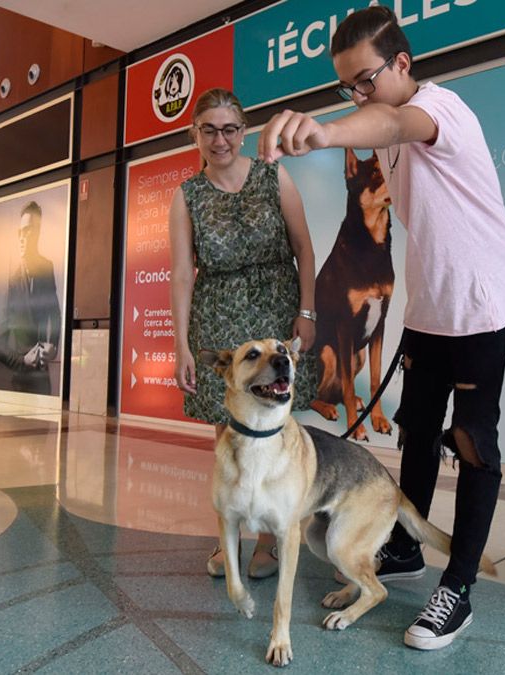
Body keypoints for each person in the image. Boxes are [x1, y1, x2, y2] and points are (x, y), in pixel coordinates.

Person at [256, 5, 505, 651]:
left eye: (366, 79)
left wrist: (322, 131)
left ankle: (457, 586)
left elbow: (394, 117)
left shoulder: (441, 108)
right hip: (430, 310)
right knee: (417, 435)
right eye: (346, 86)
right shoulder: (385, 134)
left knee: (472, 440)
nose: (358, 95)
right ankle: (403, 547)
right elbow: (382, 124)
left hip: (483, 306)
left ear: (403, 64)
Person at [168, 88, 319, 581]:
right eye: (208, 129)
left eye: (229, 129)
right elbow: (181, 273)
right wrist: (182, 345)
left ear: (244, 132)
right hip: (219, 319)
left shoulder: (273, 176)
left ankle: (269, 542)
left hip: (276, 315)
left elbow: (304, 249)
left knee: (277, 433)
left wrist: (307, 310)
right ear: (195, 133)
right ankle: (228, 542)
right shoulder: (186, 195)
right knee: (227, 435)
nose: (220, 139)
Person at [0, 201, 61, 395]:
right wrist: (22, 360)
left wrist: (54, 345)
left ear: (38, 233)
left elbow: (55, 314)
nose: (23, 237)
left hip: (43, 378)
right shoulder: (12, 281)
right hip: (21, 380)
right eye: (20, 232)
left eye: (28, 231)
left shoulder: (47, 268)